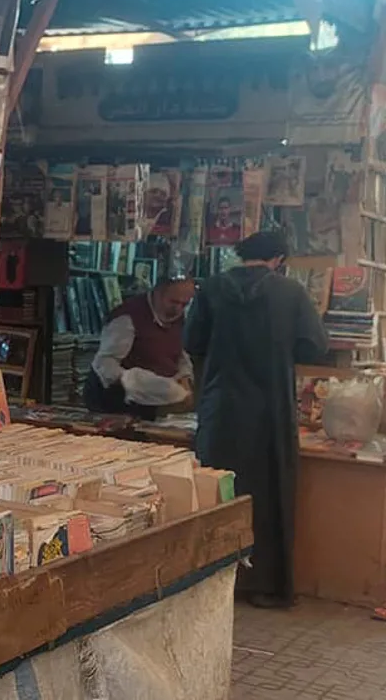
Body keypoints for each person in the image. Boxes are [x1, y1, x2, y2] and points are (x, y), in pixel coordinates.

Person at [186, 231, 327, 608]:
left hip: (222, 408)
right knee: (269, 494)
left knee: (216, 492)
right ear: (278, 259)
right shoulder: (291, 293)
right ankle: (267, 586)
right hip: (270, 411)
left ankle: (213, 580)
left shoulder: (212, 288)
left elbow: (192, 342)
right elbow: (315, 345)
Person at [84, 277, 197, 419]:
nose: (178, 309)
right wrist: (135, 381)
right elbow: (105, 363)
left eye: (184, 304)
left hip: (153, 400)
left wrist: (184, 378)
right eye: (173, 302)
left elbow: (180, 353)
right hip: (114, 400)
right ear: (158, 293)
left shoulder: (179, 317)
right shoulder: (127, 317)